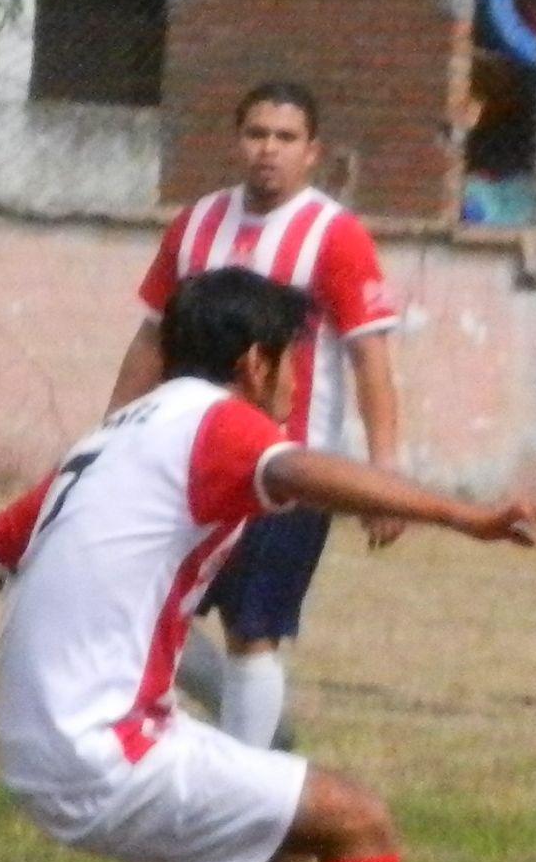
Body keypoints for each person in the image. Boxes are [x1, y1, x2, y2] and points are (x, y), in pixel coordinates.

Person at [0, 269, 536, 862]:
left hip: (40, 738)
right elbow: (302, 470)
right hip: (98, 750)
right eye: (294, 367)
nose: (293, 387)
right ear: (254, 362)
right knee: (359, 820)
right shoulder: (215, 422)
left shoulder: (115, 438)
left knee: (285, 831)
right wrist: (464, 515)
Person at [112, 80, 404, 754]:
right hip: (185, 457)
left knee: (253, 632)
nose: (267, 150)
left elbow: (371, 363)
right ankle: (233, 733)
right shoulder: (195, 226)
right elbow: (152, 337)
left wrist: (384, 476)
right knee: (136, 602)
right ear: (235, 141)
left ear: (312, 152)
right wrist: (114, 430)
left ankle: (245, 780)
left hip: (286, 470)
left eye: (285, 138)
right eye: (256, 134)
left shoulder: (335, 237)